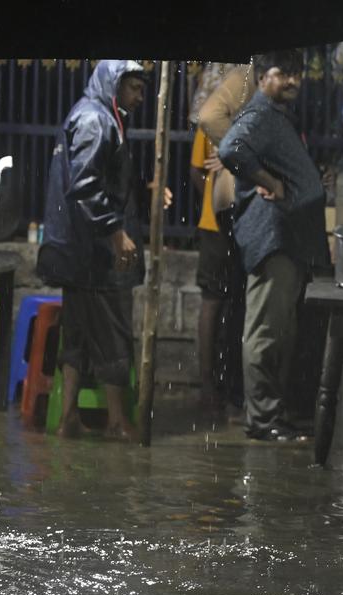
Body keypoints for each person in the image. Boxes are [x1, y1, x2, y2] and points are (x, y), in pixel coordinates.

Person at [36, 60, 170, 441]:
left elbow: (103, 178)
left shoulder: (92, 116)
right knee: (113, 332)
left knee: (76, 333)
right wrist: (114, 232)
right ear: (113, 84)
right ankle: (117, 421)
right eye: (134, 88)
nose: (140, 97)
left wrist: (143, 192)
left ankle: (68, 420)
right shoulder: (96, 121)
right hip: (95, 253)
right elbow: (86, 185)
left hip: (78, 250)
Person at [218, 50, 329, 442]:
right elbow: (229, 149)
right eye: (285, 74)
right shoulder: (260, 113)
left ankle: (273, 414)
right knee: (265, 333)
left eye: (298, 74)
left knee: (281, 332)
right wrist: (270, 180)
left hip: (289, 239)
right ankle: (263, 419)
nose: (294, 81)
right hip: (272, 237)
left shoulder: (276, 116)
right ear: (264, 77)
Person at [190, 63, 251, 418]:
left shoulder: (247, 124)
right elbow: (196, 171)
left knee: (236, 304)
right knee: (214, 302)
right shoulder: (212, 123)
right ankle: (208, 385)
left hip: (244, 225)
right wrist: (216, 199)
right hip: (215, 226)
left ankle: (233, 386)